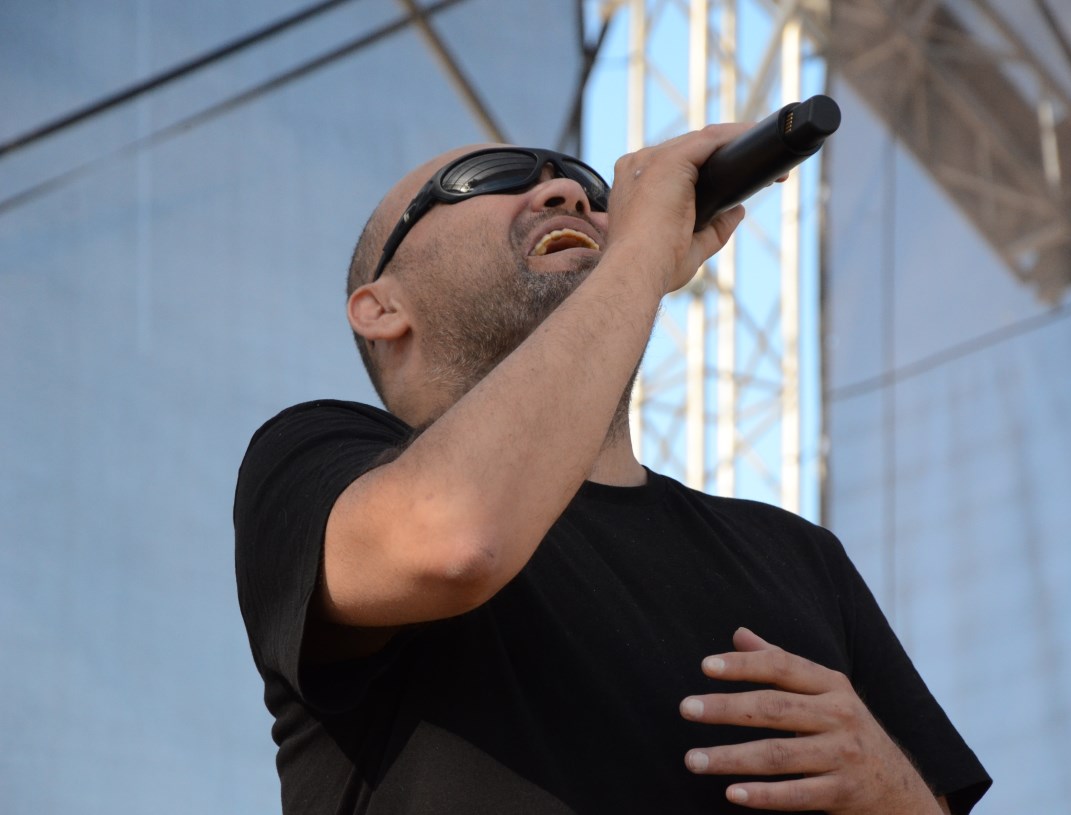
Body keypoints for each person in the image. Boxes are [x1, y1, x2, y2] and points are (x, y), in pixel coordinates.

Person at [234, 127, 991, 814]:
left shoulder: (797, 554)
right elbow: (456, 537)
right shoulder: (313, 460)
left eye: (593, 191)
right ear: (380, 307)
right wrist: (638, 255)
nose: (568, 193)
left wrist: (894, 793)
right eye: (489, 176)